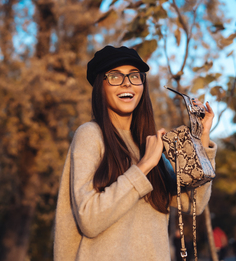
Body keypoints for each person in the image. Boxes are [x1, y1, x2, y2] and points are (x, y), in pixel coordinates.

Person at [54, 45, 217, 261]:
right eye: (114, 76)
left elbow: (193, 202)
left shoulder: (147, 143)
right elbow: (89, 219)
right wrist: (144, 166)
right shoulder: (90, 135)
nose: (126, 83)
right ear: (99, 86)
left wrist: (200, 137)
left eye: (134, 76)